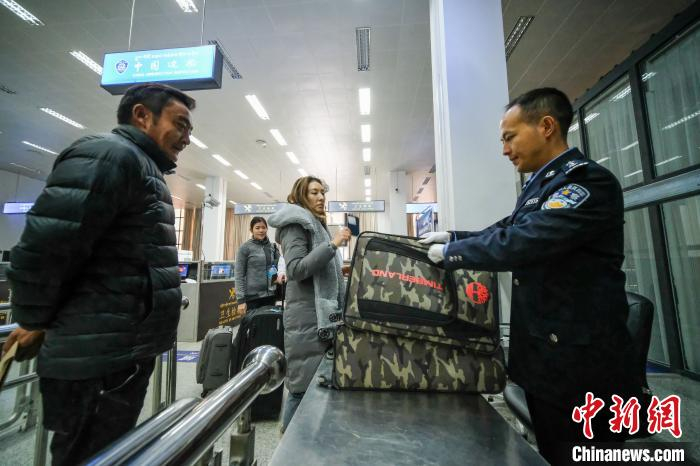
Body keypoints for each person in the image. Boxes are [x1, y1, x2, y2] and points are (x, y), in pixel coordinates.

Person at [420, 88, 637, 465]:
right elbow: (510, 228)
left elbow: (527, 240)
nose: (505, 149)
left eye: (510, 137)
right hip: (546, 362)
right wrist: (454, 237)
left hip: (580, 368)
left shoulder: (587, 183)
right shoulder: (542, 184)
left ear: (546, 126)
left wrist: (454, 254)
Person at [1, 83, 195, 466]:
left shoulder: (141, 166)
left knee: (111, 454)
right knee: (88, 456)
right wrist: (35, 319)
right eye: (180, 124)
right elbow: (47, 247)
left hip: (117, 355)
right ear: (142, 115)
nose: (187, 137)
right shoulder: (109, 155)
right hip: (97, 362)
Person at [268, 176, 350, 432]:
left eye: (322, 192)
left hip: (318, 314)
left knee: (314, 385)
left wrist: (340, 270)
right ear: (300, 196)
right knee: (301, 388)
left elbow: (318, 268)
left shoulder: (315, 224)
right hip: (306, 317)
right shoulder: (296, 224)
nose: (321, 197)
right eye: (314, 192)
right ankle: (287, 447)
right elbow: (296, 269)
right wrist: (333, 245)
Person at [235, 216, 283, 314]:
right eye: (257, 228)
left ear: (266, 229)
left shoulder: (272, 247)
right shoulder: (245, 248)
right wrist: (241, 300)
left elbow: (279, 266)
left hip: (270, 296)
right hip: (253, 298)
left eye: (263, 227)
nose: (261, 230)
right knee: (254, 323)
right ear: (251, 230)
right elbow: (239, 275)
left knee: (269, 323)